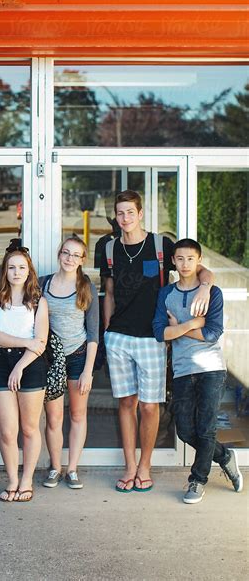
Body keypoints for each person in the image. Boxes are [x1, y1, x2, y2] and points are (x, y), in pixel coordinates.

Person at [101, 190, 214, 492]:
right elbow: (109, 293)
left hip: (152, 337)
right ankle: (128, 467)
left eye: (130, 212)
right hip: (119, 338)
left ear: (140, 214)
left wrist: (205, 289)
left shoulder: (161, 245)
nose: (124, 218)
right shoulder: (109, 248)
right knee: (126, 403)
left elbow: (199, 268)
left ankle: (144, 466)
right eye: (119, 213)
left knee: (149, 407)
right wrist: (107, 330)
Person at [153, 238, 243, 503]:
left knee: (205, 429)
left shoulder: (212, 293)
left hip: (211, 369)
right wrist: (192, 323)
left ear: (199, 260)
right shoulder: (166, 294)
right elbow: (160, 332)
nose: (185, 264)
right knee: (185, 431)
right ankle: (225, 456)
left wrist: (178, 328)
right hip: (182, 370)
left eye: (190, 259)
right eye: (180, 259)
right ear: (173, 261)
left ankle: (197, 480)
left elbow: (213, 333)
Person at [0, 244, 48, 502]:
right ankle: (11, 480)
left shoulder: (38, 302)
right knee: (8, 431)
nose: (16, 272)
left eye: (22, 267)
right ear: (5, 271)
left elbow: (40, 342)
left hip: (31, 365)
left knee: (30, 428)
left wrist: (20, 365)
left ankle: (26, 480)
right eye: (12, 267)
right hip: (1, 362)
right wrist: (25, 342)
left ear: (29, 270)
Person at [40, 235, 99, 490]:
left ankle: (72, 469)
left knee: (77, 414)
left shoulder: (86, 287)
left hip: (78, 356)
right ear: (59, 254)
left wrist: (88, 371)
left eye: (75, 255)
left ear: (82, 260)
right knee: (53, 418)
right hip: (51, 357)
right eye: (66, 253)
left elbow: (94, 333)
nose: (69, 258)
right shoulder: (43, 284)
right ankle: (55, 467)